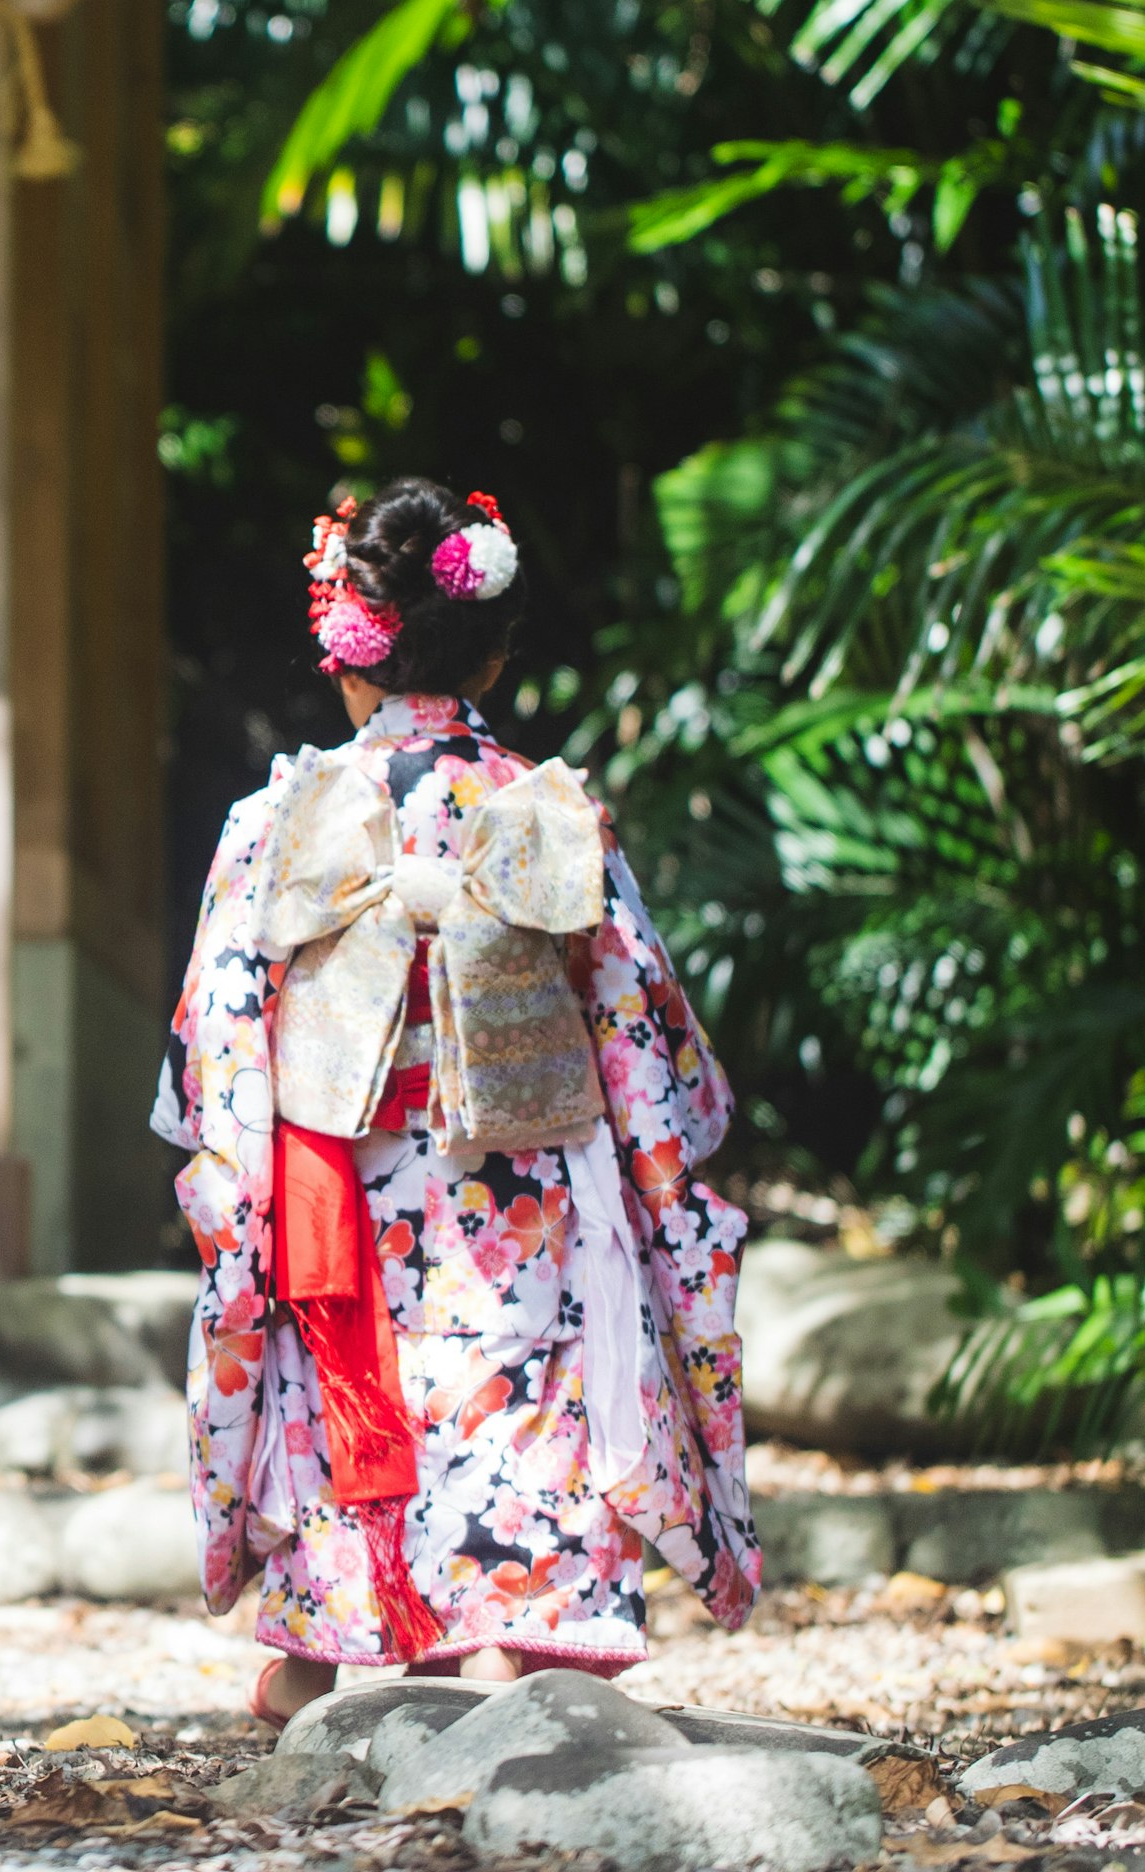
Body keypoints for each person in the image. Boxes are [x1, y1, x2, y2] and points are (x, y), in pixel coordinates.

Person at [151, 479, 757, 1720]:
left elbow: (222, 1032)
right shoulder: (549, 809)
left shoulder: (275, 818)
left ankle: (330, 1643)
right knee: (519, 1374)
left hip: (339, 1165)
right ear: (493, 648)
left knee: (343, 1371)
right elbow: (633, 1021)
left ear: (348, 652)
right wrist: (661, 1176)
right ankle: (502, 1631)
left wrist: (241, 1170)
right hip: (522, 1175)